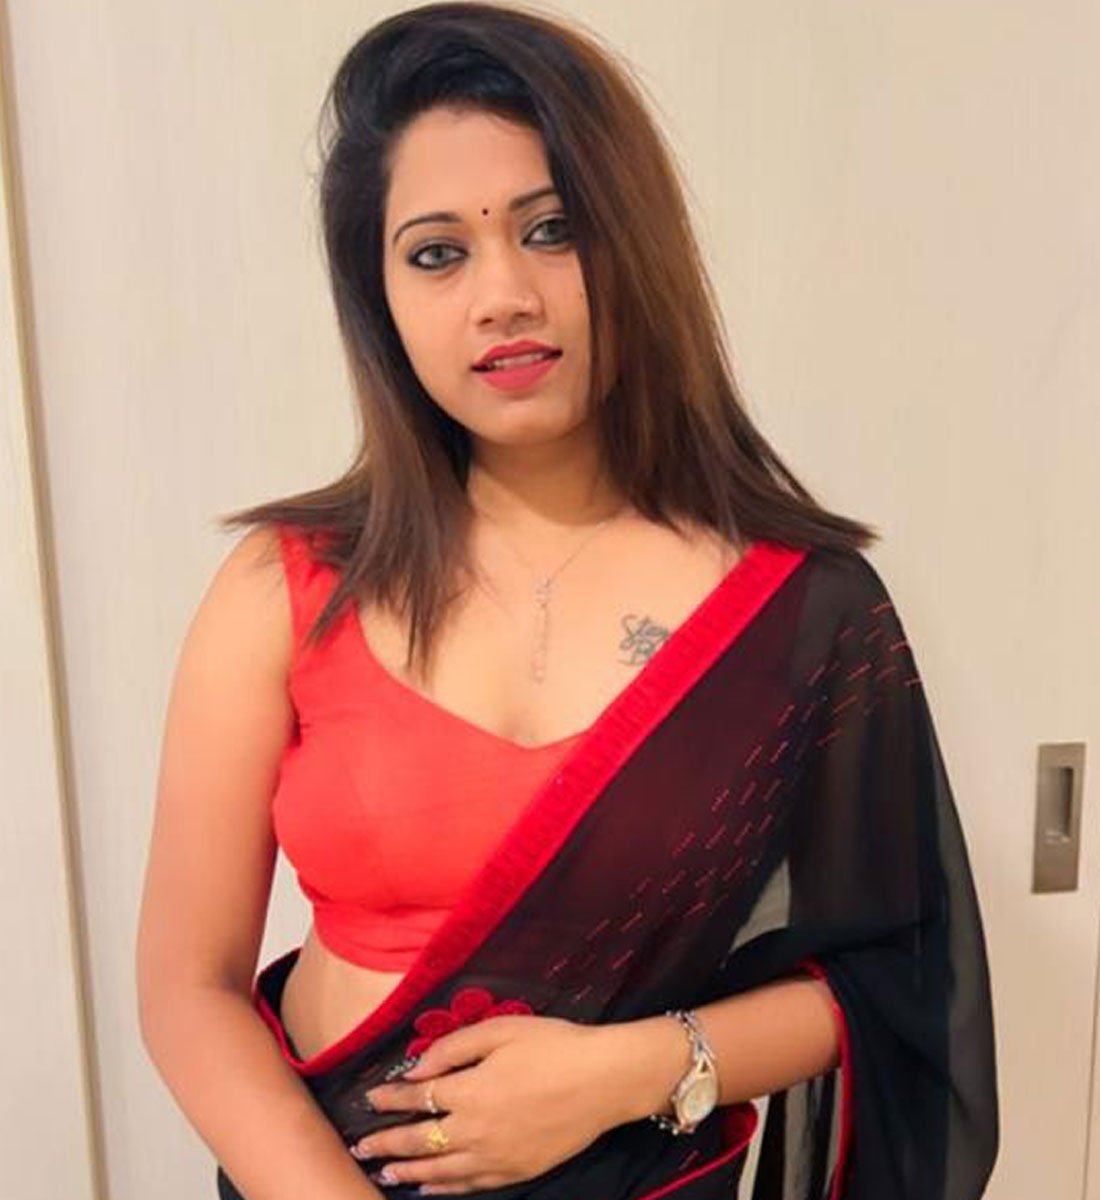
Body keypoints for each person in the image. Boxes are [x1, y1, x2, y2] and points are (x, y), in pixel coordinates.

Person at [135, 3, 999, 1198]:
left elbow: (898, 974)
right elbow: (186, 984)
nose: (502, 295)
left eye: (552, 231)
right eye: (436, 253)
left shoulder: (798, 612)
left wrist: (628, 1071)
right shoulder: (286, 587)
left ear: (632, 246)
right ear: (378, 297)